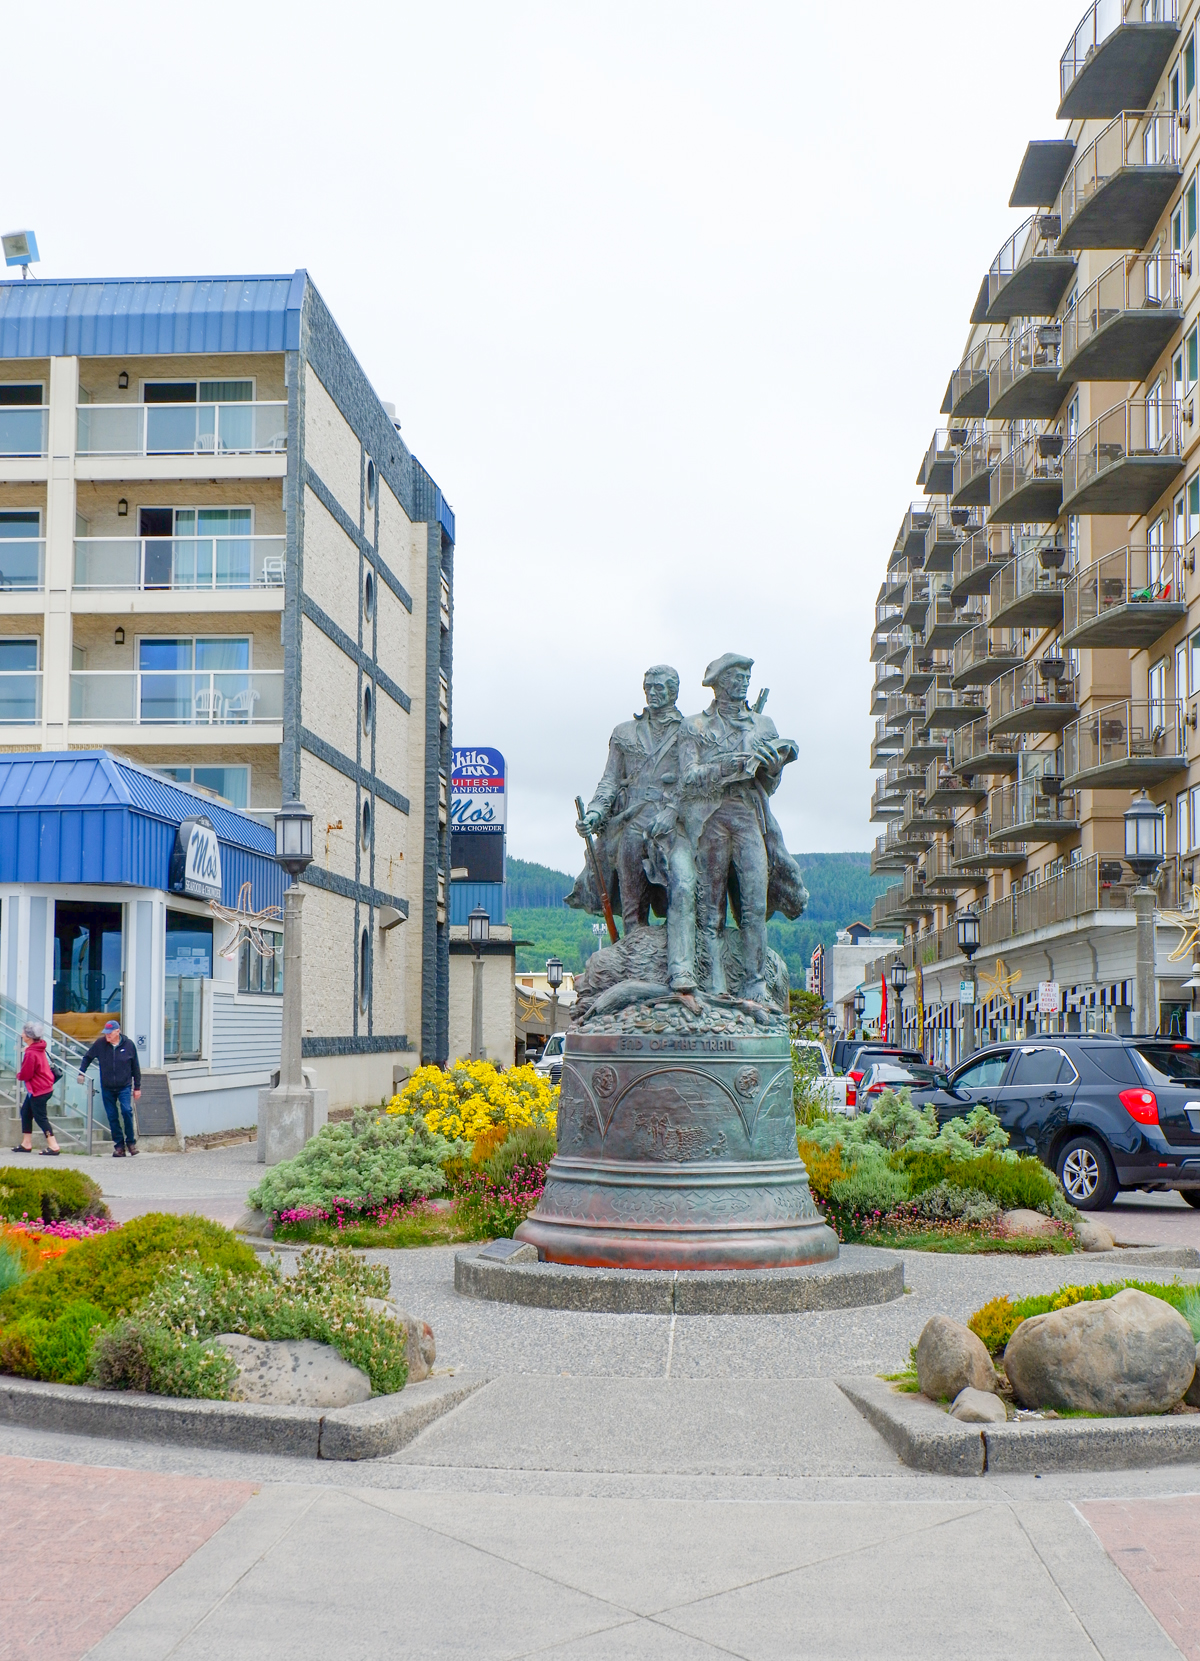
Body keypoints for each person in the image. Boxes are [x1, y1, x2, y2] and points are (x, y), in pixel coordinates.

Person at [679, 652, 806, 1003]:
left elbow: (771, 787)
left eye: (747, 676)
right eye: (736, 676)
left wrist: (773, 767)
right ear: (718, 683)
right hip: (710, 821)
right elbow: (688, 779)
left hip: (750, 817)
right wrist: (729, 766)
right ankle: (713, 982)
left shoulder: (763, 725)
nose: (743, 682)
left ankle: (755, 983)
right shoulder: (695, 727)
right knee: (710, 909)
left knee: (753, 905)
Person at [568, 663, 698, 990]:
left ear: (675, 691)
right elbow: (609, 781)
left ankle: (679, 965)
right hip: (632, 820)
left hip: (672, 821)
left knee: (679, 892)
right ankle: (633, 968)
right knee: (631, 903)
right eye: (648, 687)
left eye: (660, 687)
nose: (653, 693)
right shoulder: (624, 733)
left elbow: (695, 782)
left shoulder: (691, 730)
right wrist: (595, 813)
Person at [77, 1019, 142, 1157]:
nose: (107, 1035)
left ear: (117, 1032)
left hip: (124, 1086)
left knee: (126, 1111)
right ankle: (119, 1146)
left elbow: (135, 1067)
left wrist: (137, 1087)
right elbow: (87, 1057)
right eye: (105, 1033)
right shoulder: (100, 1044)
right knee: (112, 1116)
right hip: (107, 1087)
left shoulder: (129, 1045)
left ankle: (130, 1142)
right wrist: (81, 1072)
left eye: (110, 1033)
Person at [13, 1021, 61, 1156]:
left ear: (28, 1036)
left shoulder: (30, 1053)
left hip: (38, 1089)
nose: (21, 1035)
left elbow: (27, 1073)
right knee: (26, 1112)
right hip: (43, 1087)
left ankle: (53, 1145)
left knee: (40, 1117)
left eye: (23, 1033)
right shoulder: (39, 1047)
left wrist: (19, 1075)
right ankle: (26, 1143)